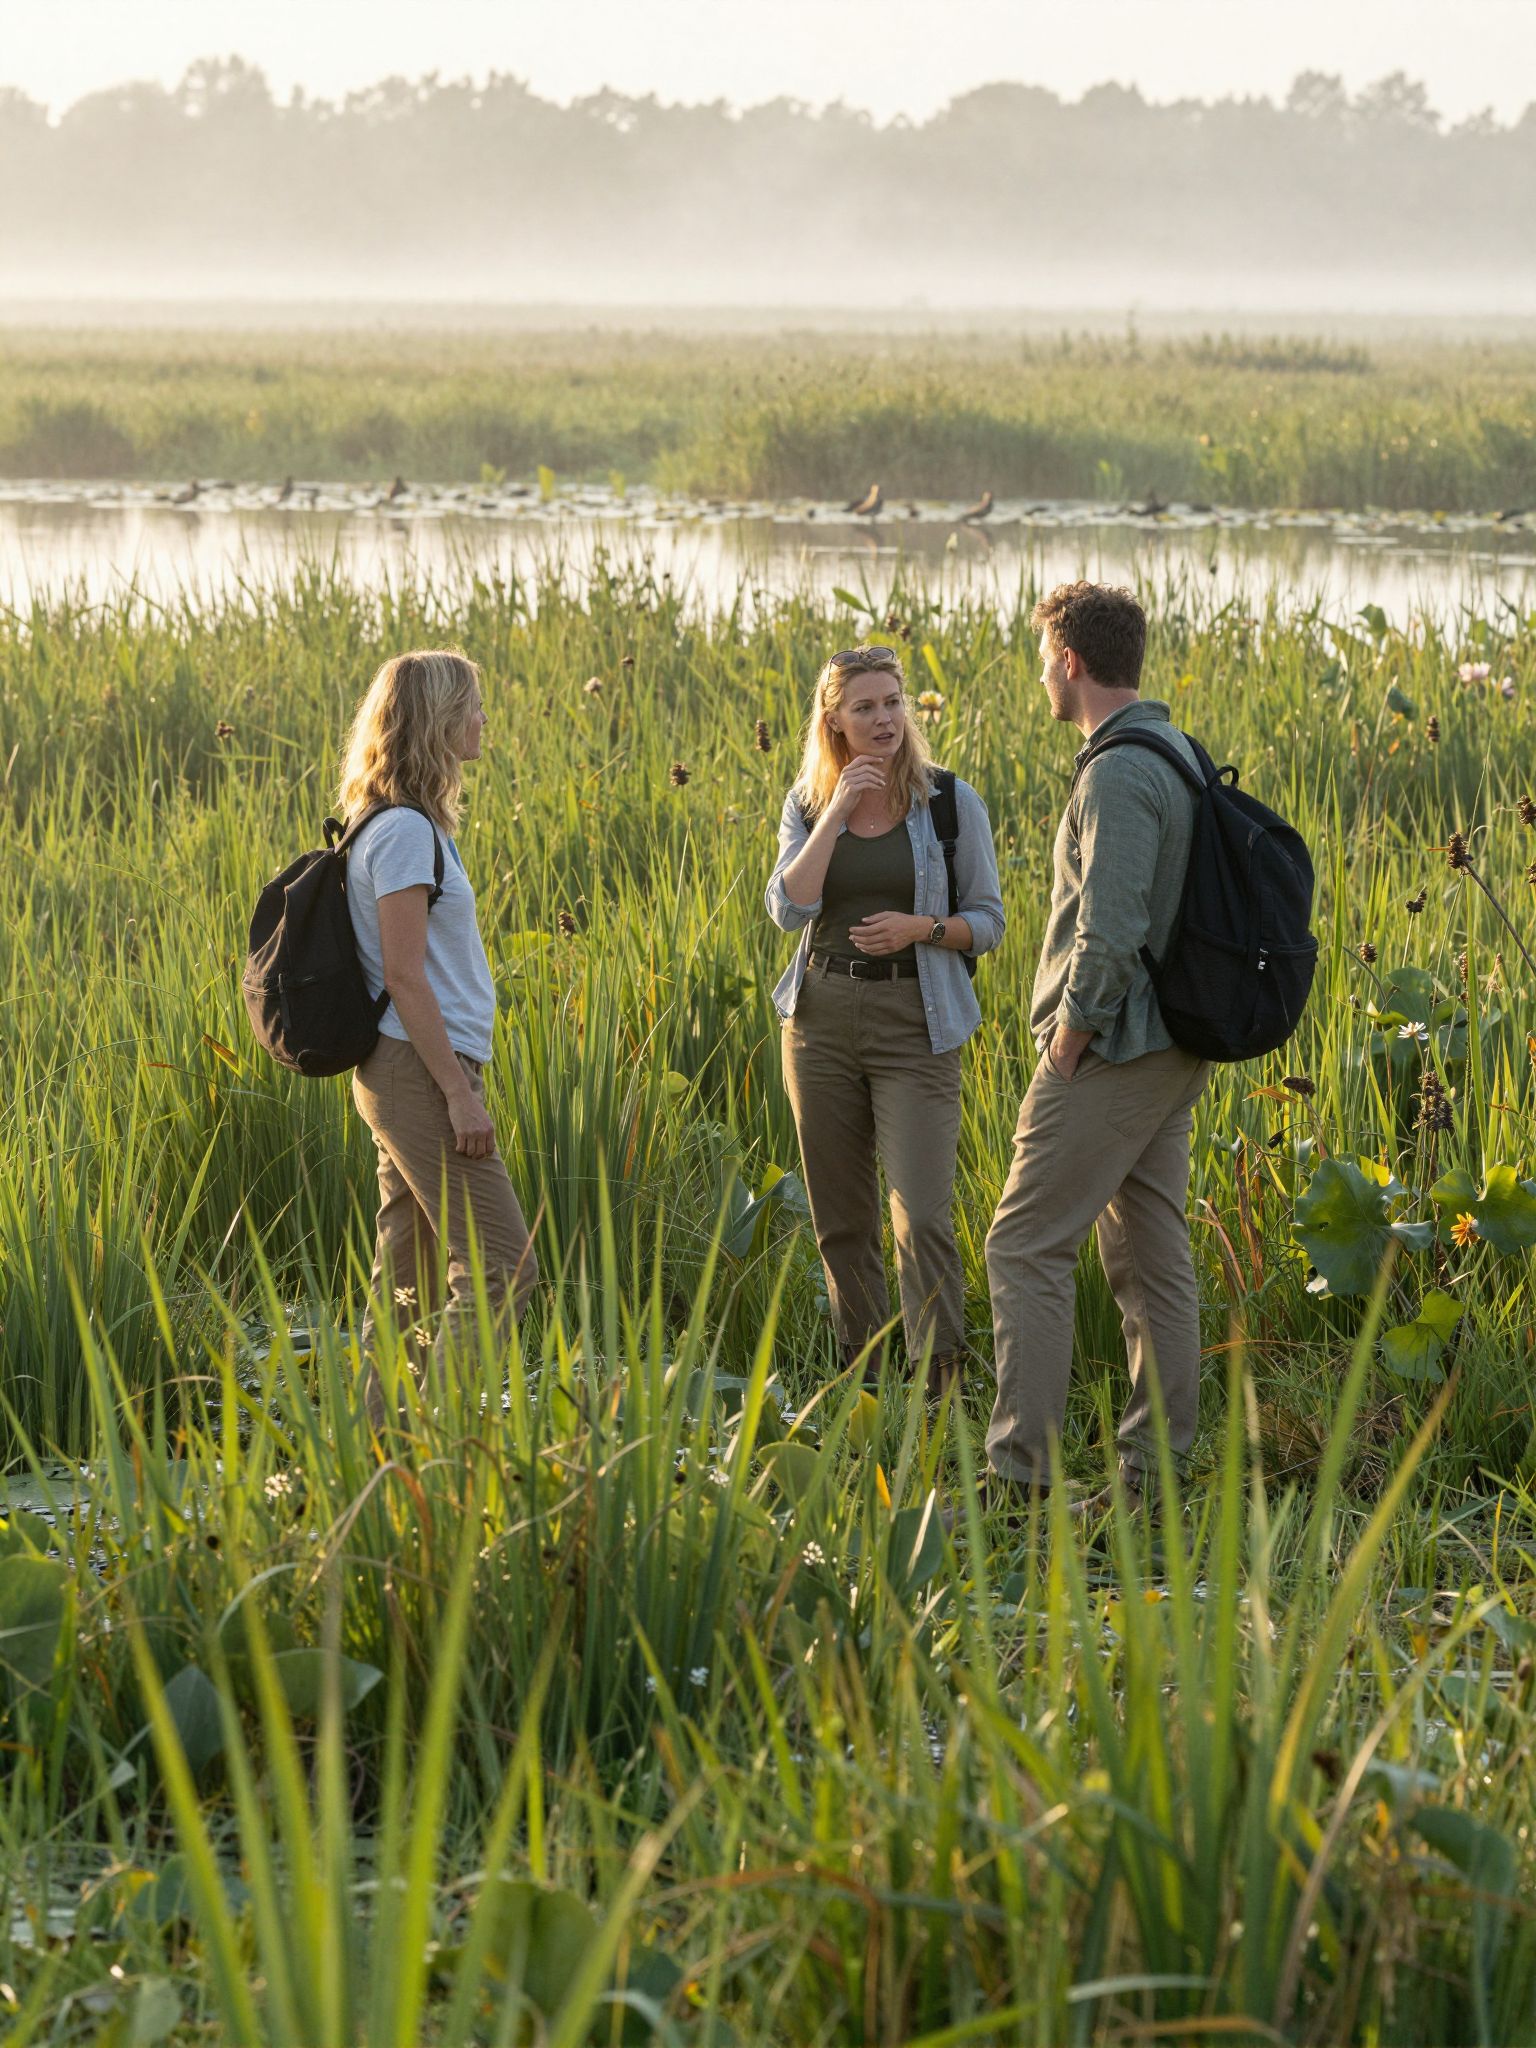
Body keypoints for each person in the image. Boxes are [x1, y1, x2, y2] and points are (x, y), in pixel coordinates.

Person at [985, 583, 1210, 1511]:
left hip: (1113, 1046)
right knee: (1150, 1255)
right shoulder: (1176, 751)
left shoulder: (1119, 771)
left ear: (1071, 660)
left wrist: (1066, 1043)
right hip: (1168, 1047)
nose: (1041, 673)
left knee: (1024, 1245)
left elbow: (1109, 932)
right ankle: (1151, 1484)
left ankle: (1018, 1479)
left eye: (1045, 656)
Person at [766, 644, 1005, 1392]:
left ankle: (940, 1384)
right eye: (865, 707)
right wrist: (837, 812)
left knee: (923, 1214)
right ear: (834, 720)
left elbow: (989, 922)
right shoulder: (807, 803)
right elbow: (786, 906)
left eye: (894, 702)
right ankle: (863, 1379)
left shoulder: (948, 802)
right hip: (820, 1020)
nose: (884, 720)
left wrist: (920, 928)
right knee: (841, 1218)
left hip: (917, 1022)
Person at [338, 647, 538, 1420]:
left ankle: (371, 1450)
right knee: (503, 1269)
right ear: (436, 722)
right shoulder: (403, 835)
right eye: (472, 707)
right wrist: (458, 1094)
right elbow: (405, 975)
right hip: (420, 1070)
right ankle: (432, 1451)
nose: (484, 719)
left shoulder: (399, 826)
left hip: (406, 1069)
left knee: (408, 1280)